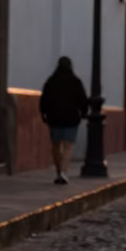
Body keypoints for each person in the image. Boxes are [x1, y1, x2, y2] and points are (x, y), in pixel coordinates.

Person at [39, 56, 88, 185]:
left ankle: (58, 170)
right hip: (71, 118)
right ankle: (63, 172)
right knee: (68, 146)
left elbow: (44, 99)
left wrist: (43, 113)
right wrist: (84, 112)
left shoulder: (51, 81)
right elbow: (82, 99)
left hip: (54, 117)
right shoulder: (75, 81)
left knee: (55, 145)